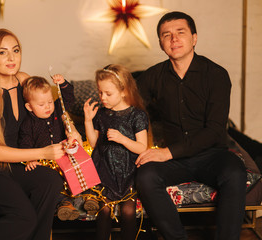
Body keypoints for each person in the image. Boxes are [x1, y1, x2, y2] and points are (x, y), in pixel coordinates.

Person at [135, 11, 247, 240]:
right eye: (166, 35)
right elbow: (128, 107)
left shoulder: (216, 75)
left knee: (235, 171)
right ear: (160, 43)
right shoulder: (153, 76)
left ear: (194, 38)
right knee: (145, 176)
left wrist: (166, 153)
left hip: (211, 155)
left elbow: (215, 131)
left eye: (180, 32)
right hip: (175, 161)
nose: (173, 39)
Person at [0, 29, 67, 240]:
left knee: (51, 181)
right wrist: (43, 153)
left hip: (15, 163)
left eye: (15, 50)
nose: (11, 58)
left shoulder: (24, 80)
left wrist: (69, 129)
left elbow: (48, 112)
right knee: (23, 217)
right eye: (2, 53)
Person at [84, 64, 149, 240]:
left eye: (108, 93)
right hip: (105, 171)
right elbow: (94, 143)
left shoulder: (137, 115)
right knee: (103, 211)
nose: (102, 98)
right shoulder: (102, 114)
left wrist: (123, 139)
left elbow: (142, 147)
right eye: (100, 92)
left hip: (129, 172)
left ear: (123, 91)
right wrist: (88, 121)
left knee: (128, 212)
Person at [18, 75, 92, 221]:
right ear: (29, 106)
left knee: (82, 167)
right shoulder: (28, 124)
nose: (47, 107)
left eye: (50, 102)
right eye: (41, 104)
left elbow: (68, 98)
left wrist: (63, 83)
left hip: (64, 155)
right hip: (47, 161)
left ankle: (89, 196)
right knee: (54, 181)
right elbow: (25, 143)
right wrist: (31, 160)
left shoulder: (57, 111)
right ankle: (64, 204)